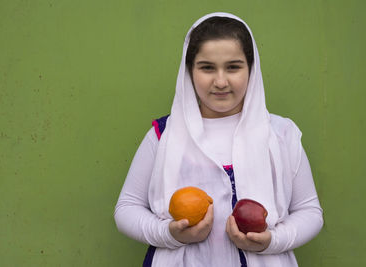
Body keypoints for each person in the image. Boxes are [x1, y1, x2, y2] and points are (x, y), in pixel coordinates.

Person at [114, 12, 323, 267]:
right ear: (189, 71)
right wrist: (170, 235)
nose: (221, 81)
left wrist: (273, 241)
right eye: (207, 67)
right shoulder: (163, 134)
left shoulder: (281, 134)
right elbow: (127, 208)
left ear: (251, 68)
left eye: (234, 67)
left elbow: (310, 212)